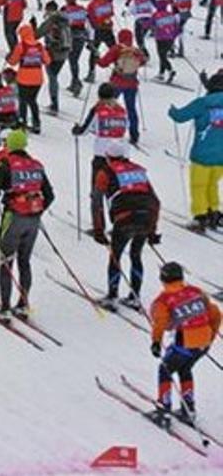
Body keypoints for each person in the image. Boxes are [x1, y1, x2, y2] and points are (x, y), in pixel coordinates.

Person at [0, 128, 54, 320]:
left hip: (14, 217)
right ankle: (23, 304)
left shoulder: (6, 164)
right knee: (24, 261)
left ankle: (5, 307)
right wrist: (36, 211)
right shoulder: (36, 165)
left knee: (6, 262)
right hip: (33, 219)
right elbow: (50, 195)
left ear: (9, 145)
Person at [147, 261, 220, 427]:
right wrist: (210, 336)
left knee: (165, 369)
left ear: (163, 279)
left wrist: (156, 342)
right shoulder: (196, 292)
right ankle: (189, 408)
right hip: (203, 343)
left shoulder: (163, 300)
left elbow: (161, 323)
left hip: (185, 343)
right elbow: (215, 313)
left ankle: (163, 409)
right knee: (185, 368)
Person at [92, 141, 161, 310]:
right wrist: (152, 230)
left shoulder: (105, 172)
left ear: (108, 158)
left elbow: (96, 203)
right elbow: (155, 200)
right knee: (136, 255)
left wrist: (98, 230)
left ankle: (112, 295)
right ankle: (135, 296)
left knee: (115, 256)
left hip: (124, 218)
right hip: (146, 216)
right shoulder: (138, 170)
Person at [168, 70, 223, 231]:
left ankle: (200, 216)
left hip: (202, 154)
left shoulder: (203, 103)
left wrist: (172, 111)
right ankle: (214, 211)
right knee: (212, 184)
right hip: (221, 156)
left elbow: (180, 116)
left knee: (199, 185)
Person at [96, 28, 146, 145]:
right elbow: (143, 61)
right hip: (132, 83)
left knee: (106, 104)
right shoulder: (135, 50)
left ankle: (102, 126)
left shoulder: (117, 49)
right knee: (131, 109)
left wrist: (97, 59)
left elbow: (103, 63)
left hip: (116, 83)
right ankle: (134, 135)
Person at [5, 22, 51, 133]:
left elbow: (13, 62)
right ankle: (36, 124)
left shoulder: (21, 46)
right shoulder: (39, 46)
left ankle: (22, 122)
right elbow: (47, 61)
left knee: (23, 101)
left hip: (24, 78)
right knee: (32, 101)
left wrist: (8, 58)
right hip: (38, 79)